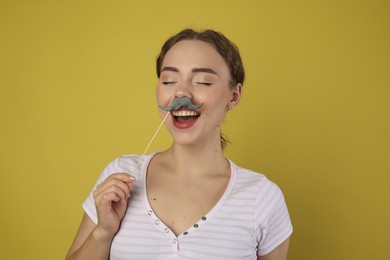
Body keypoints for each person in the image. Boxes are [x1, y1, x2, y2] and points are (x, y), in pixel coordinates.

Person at [66, 28, 293, 260]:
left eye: (203, 82)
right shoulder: (121, 174)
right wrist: (103, 232)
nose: (181, 93)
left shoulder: (261, 198)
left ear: (234, 96)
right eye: (169, 80)